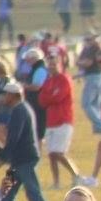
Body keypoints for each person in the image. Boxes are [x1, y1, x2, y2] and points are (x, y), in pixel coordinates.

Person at [37, 53, 82, 188]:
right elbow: (42, 100)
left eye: (54, 64)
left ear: (60, 64)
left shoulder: (64, 79)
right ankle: (56, 181)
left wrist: (50, 97)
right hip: (51, 120)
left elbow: (58, 97)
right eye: (49, 64)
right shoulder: (48, 81)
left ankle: (75, 174)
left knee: (58, 152)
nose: (51, 67)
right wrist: (50, 97)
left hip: (63, 120)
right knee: (51, 154)